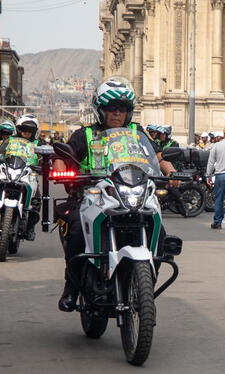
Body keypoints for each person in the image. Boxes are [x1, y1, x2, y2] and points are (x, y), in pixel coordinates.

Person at [51, 76, 179, 312]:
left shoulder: (137, 132)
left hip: (131, 190)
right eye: (111, 109)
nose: (116, 114)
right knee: (77, 232)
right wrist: (60, 169)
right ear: (101, 110)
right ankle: (72, 288)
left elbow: (157, 156)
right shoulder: (85, 134)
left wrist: (172, 173)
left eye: (122, 109)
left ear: (129, 112)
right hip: (93, 193)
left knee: (159, 231)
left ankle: (146, 285)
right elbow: (63, 155)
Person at [0, 115, 42, 240]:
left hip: (28, 173)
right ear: (18, 129)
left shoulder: (39, 143)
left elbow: (46, 156)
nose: (26, 133)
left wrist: (45, 164)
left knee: (37, 199)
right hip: (9, 169)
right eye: (24, 129)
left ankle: (30, 228)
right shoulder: (9, 140)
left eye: (30, 131)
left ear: (34, 132)